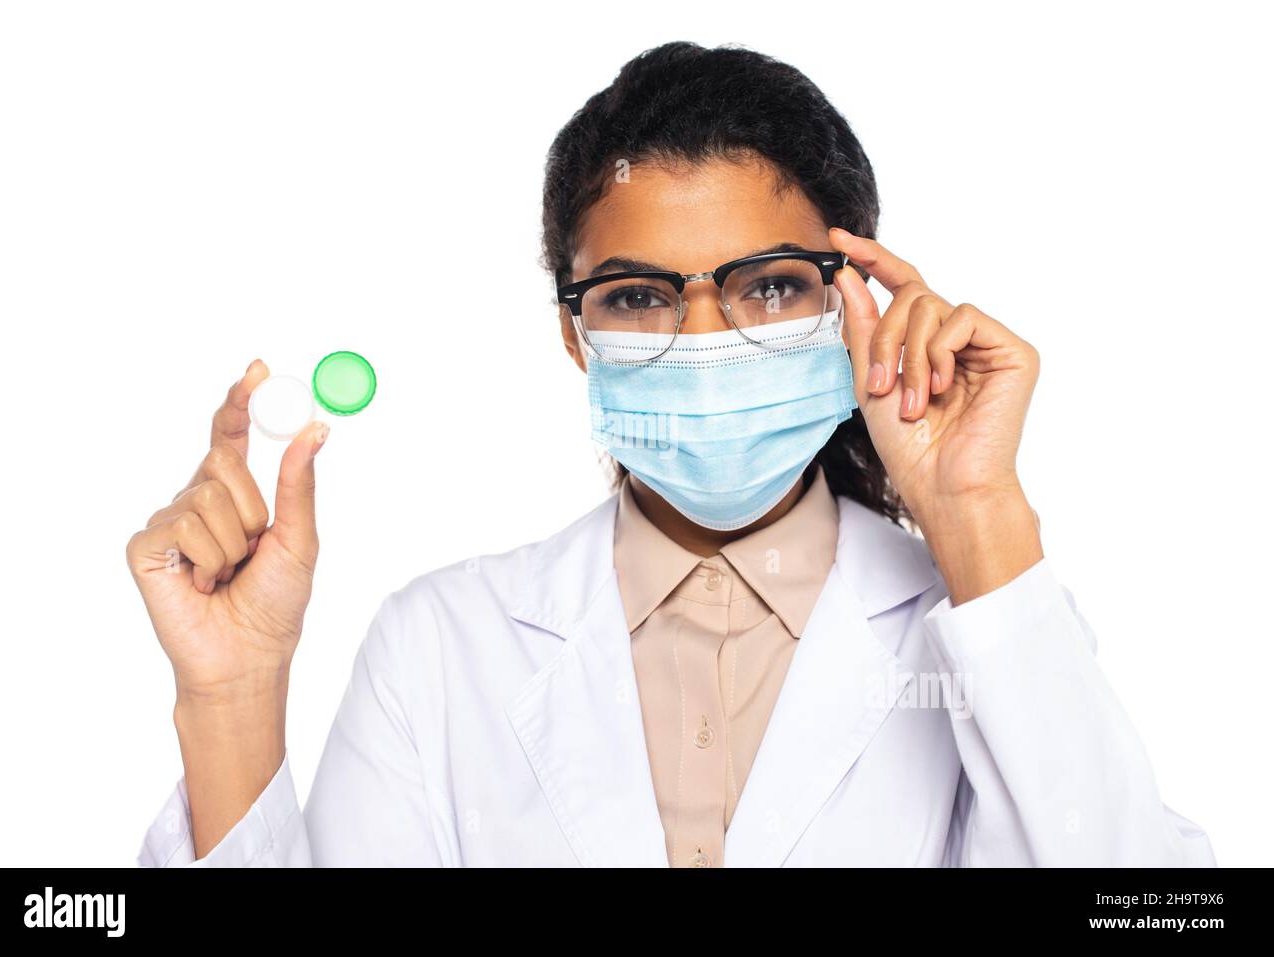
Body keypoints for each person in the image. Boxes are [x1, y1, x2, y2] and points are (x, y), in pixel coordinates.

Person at [130, 41, 1213, 867]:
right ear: (576, 335)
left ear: (854, 308)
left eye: (769, 286)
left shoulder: (989, 626)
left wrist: (974, 513)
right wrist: (232, 701)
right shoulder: (440, 648)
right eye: (639, 297)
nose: (704, 342)